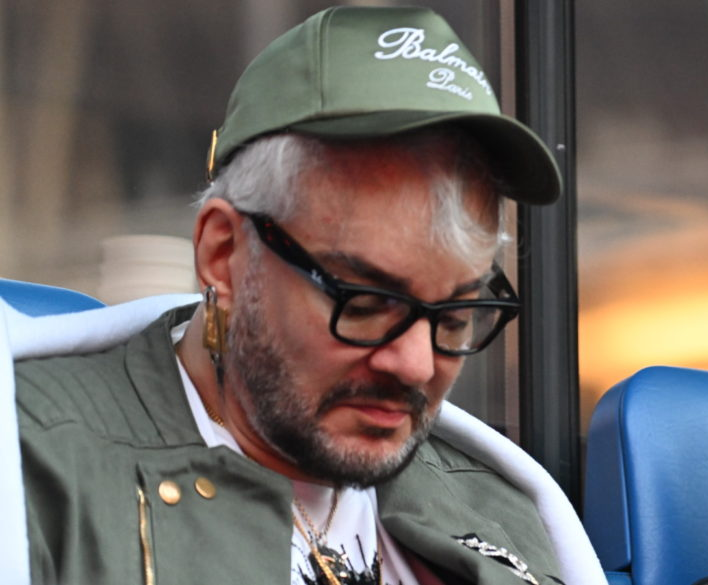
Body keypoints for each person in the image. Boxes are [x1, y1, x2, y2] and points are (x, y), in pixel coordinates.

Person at [7, 6, 606, 585]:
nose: (417, 365)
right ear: (223, 255)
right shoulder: (34, 470)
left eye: (455, 316)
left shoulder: (496, 511)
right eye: (365, 302)